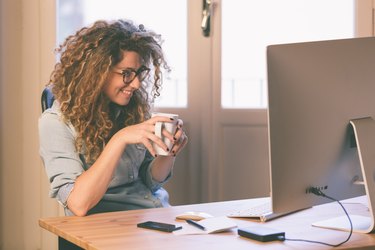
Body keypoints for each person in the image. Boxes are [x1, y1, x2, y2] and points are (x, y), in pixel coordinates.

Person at [39, 19, 188, 217]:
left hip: (155, 214)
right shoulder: (55, 122)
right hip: (110, 225)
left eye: (139, 73)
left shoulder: (132, 109)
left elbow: (150, 182)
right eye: (126, 73)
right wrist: (120, 139)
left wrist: (167, 153)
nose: (135, 85)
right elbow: (78, 204)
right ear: (96, 73)